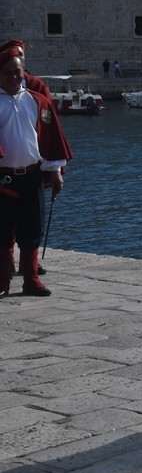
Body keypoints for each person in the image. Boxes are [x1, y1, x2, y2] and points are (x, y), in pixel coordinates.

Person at [0, 48, 70, 296]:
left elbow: (50, 138)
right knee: (2, 231)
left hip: (31, 176)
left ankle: (31, 279)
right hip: (2, 178)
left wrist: (55, 171)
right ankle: (2, 281)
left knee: (32, 228)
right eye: (8, 73)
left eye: (17, 72)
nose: (14, 77)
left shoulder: (38, 101)